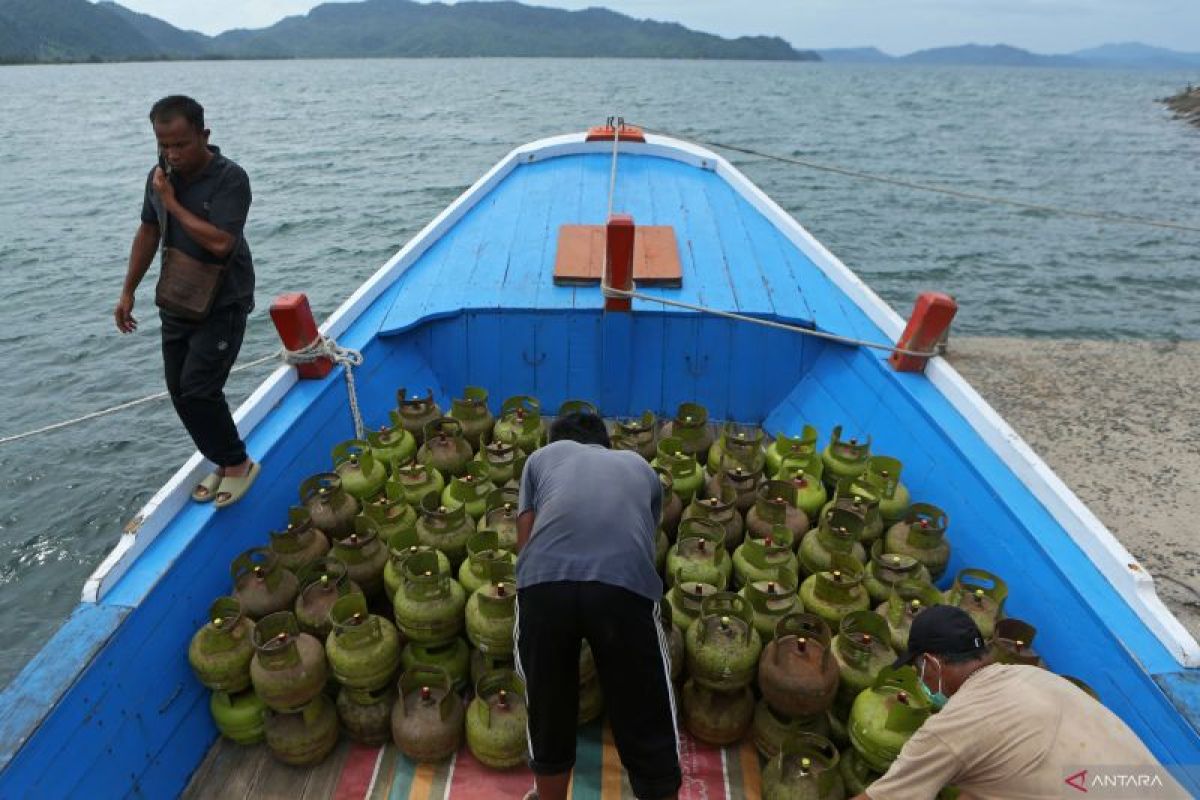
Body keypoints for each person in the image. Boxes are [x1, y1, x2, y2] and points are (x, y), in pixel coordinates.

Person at [854, 605, 1187, 800]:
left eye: (918, 669)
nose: (920, 679)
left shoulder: (950, 730)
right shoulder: (1041, 679)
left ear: (932, 664)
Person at [515, 412, 681, 800]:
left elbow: (524, 543)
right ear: (606, 444)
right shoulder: (639, 466)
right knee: (645, 706)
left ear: (555, 441)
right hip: (621, 583)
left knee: (548, 702)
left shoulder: (540, 460)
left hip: (545, 582)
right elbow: (644, 535)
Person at [114, 95, 259, 508]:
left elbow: (220, 243)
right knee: (179, 391)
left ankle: (237, 463)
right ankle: (222, 460)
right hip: (179, 297)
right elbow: (147, 232)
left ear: (204, 135)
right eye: (164, 145)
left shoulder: (231, 179)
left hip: (223, 301)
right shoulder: (158, 177)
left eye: (181, 144)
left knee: (200, 388)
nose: (172, 154)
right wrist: (128, 290)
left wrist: (172, 202)